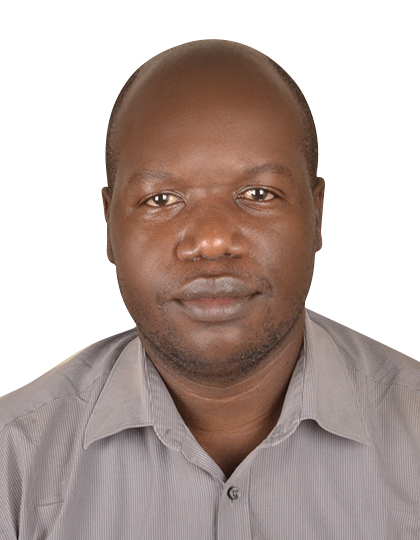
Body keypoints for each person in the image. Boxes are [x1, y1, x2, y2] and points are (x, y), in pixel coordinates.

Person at [1, 39, 419, 539]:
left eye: (258, 193)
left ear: (317, 214)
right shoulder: (13, 464)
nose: (213, 241)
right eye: (162, 199)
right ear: (109, 225)